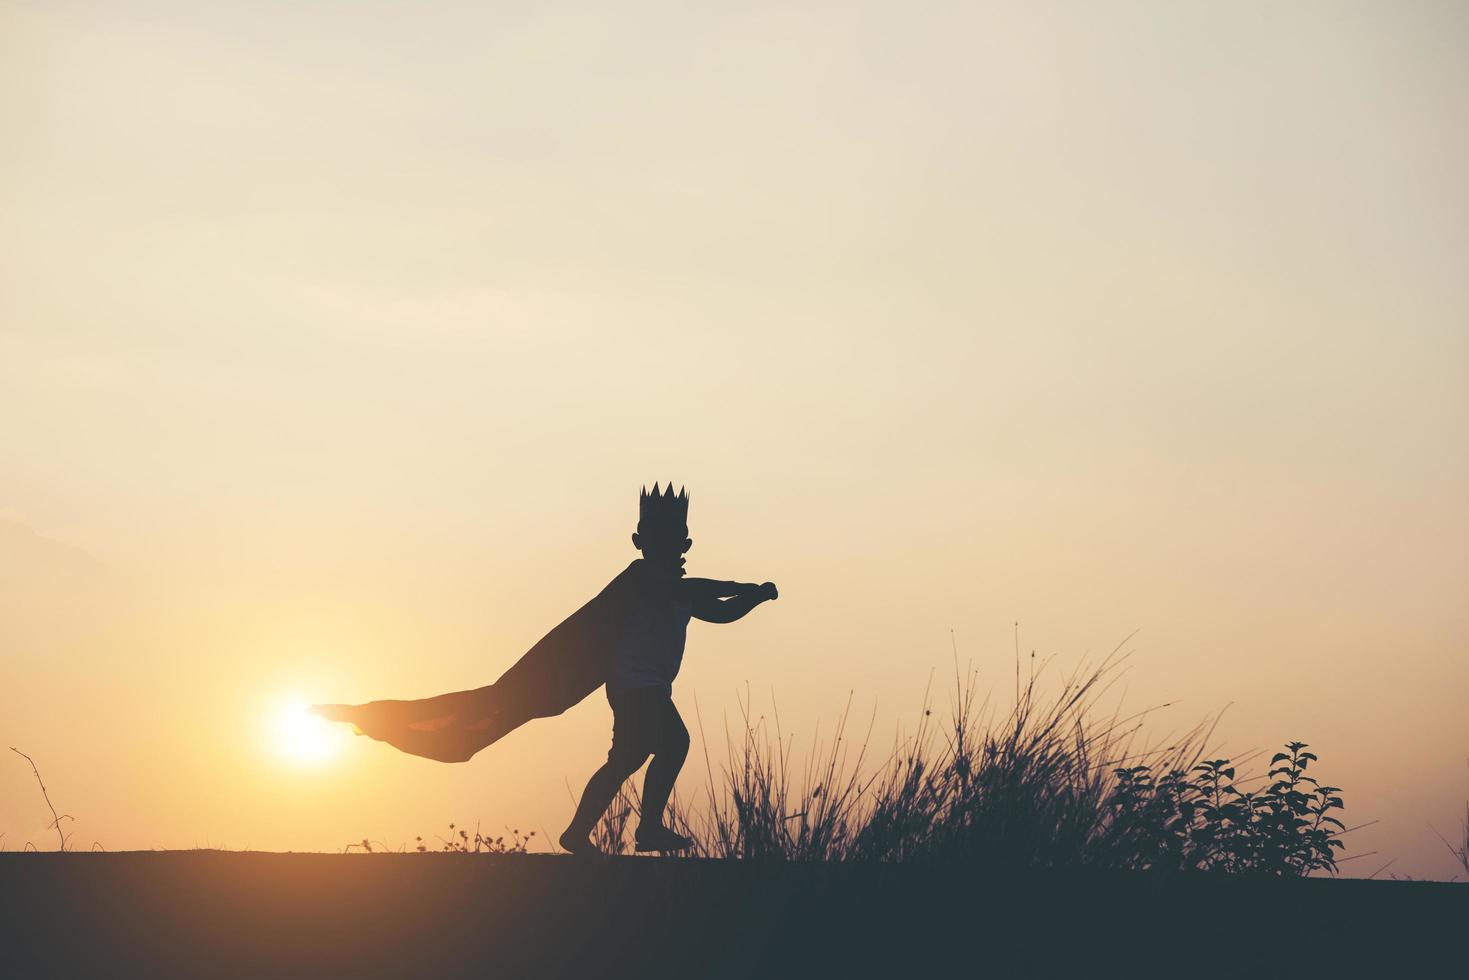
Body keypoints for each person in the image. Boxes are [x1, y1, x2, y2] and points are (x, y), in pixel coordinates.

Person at [558, 484, 777, 854]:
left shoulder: (679, 589)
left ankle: (580, 832)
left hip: (647, 686)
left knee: (627, 758)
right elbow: (694, 590)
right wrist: (740, 586)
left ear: (686, 544)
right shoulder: (641, 577)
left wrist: (752, 598)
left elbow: (720, 612)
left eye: (676, 539)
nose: (669, 546)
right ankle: (647, 828)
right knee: (674, 742)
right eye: (658, 538)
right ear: (639, 541)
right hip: (635, 685)